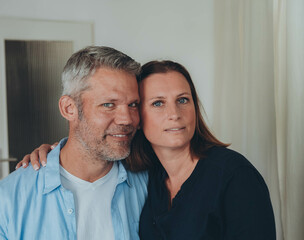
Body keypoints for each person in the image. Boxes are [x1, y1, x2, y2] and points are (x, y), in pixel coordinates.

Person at [18, 60, 276, 239]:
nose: (174, 114)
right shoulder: (142, 175)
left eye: (183, 100)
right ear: (136, 116)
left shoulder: (234, 175)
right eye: (158, 103)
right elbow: (89, 152)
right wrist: (52, 154)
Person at [0, 46, 148, 240]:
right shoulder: (9, 199)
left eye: (133, 105)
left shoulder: (150, 184)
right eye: (108, 105)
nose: (127, 119)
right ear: (69, 109)